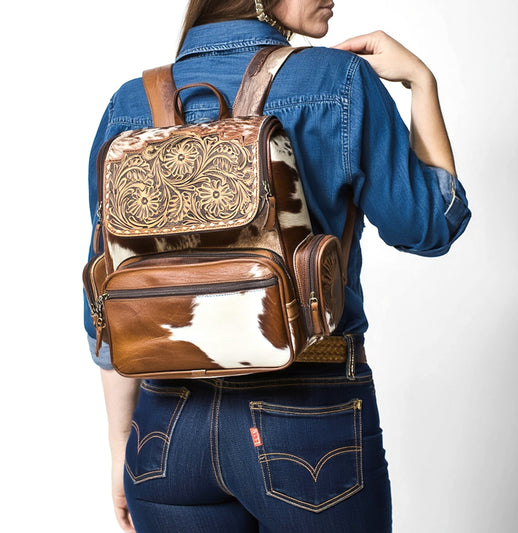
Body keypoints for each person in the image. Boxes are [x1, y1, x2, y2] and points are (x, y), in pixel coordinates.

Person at [85, 1, 471, 531]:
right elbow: (428, 227)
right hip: (308, 416)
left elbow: (105, 297)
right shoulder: (339, 81)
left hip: (164, 433)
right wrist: (422, 84)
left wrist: (119, 447)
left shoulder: (130, 104)